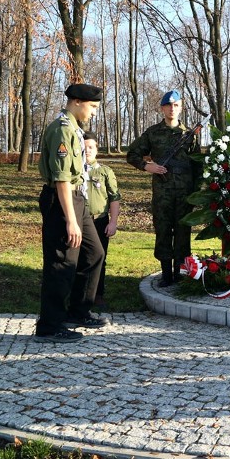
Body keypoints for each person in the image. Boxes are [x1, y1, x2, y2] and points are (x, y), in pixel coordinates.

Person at [35, 83, 107, 343]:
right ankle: (49, 325)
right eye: (92, 107)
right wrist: (72, 221)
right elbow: (62, 178)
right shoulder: (63, 131)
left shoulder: (76, 131)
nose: (94, 112)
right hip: (62, 201)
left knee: (94, 253)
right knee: (62, 262)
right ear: (76, 101)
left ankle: (78, 311)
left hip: (78, 198)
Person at [127, 90, 202, 287]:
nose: (172, 108)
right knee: (163, 230)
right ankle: (166, 273)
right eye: (168, 105)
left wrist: (196, 193)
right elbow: (132, 154)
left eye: (176, 105)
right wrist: (147, 166)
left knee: (183, 230)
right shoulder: (153, 133)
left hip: (185, 191)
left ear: (180, 107)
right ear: (162, 108)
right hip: (162, 191)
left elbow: (197, 166)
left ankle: (180, 271)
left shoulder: (190, 135)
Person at [83, 132, 121, 307]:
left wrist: (113, 222)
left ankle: (98, 294)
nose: (87, 150)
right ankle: (79, 295)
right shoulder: (75, 171)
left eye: (91, 147)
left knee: (99, 258)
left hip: (99, 221)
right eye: (84, 147)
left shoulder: (105, 171)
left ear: (97, 149)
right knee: (78, 259)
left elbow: (114, 198)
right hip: (80, 221)